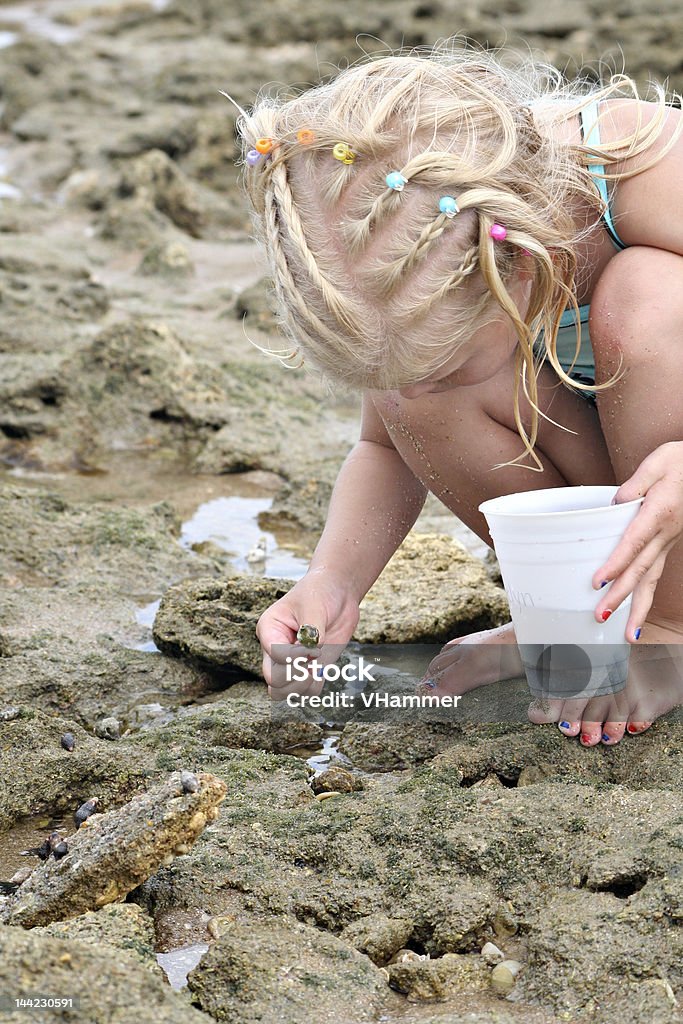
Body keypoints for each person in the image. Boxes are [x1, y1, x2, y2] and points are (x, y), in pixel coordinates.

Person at [234, 43, 683, 746]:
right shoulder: (414, 237)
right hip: (633, 496)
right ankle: (576, 623)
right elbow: (384, 450)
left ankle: (666, 629)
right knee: (412, 406)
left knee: (645, 299)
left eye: (445, 365)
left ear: (520, 263)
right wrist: (334, 582)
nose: (419, 391)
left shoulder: (637, 168)